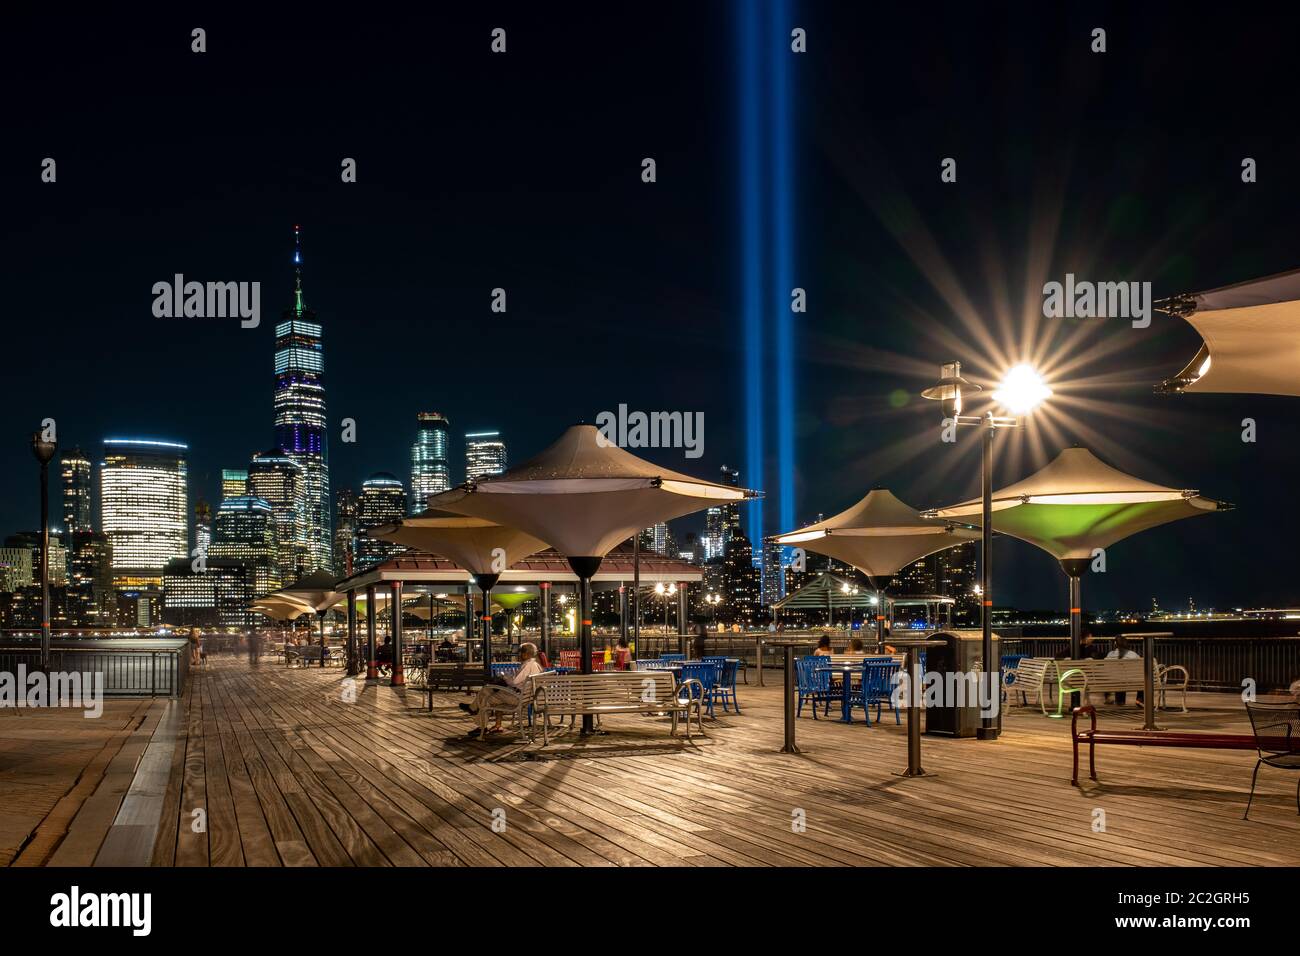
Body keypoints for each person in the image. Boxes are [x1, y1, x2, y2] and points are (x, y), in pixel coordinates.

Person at [459, 642, 545, 736]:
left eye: (520, 653)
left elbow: (514, 682)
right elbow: (518, 681)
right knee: (487, 690)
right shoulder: (535, 665)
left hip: (517, 698)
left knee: (487, 698)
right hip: (525, 697)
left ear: (526, 654)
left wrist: (504, 677)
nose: (518, 655)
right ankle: (479, 713)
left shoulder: (528, 665)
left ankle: (480, 725)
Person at [1106, 636, 1141, 705]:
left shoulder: (1110, 655)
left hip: (1114, 681)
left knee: (1119, 678)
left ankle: (1120, 702)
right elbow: (1140, 667)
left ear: (1115, 644)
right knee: (1143, 680)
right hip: (1131, 681)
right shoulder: (1133, 654)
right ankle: (1140, 700)